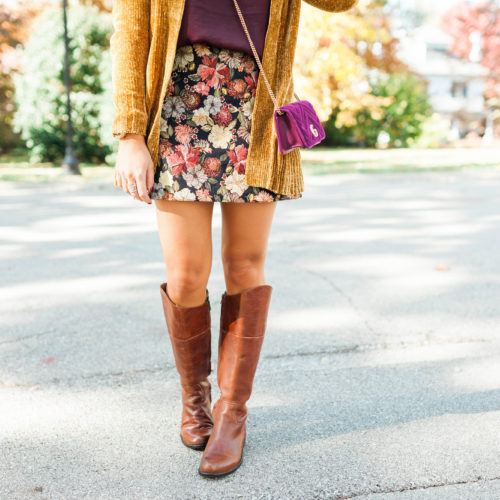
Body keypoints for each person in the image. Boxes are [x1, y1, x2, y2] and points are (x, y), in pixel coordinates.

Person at [110, 0, 358, 478]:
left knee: (245, 266)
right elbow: (130, 35)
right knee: (185, 275)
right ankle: (194, 397)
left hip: (256, 109)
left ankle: (232, 412)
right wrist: (129, 135)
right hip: (178, 103)